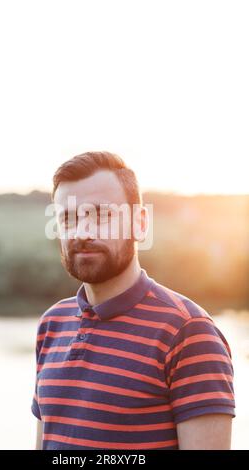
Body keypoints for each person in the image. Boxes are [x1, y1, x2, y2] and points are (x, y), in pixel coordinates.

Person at [31, 151, 235, 450]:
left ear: (139, 223)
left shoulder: (188, 333)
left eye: (101, 215)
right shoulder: (52, 324)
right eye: (69, 217)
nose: (82, 231)